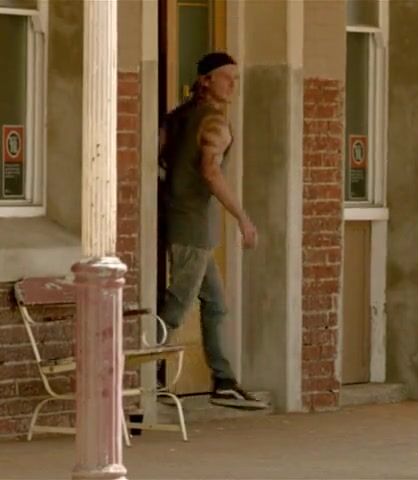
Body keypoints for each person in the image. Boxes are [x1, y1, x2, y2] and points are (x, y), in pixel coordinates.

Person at [157, 52, 267, 409]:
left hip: (182, 220)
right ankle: (143, 376)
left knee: (215, 304)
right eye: (226, 77)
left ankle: (223, 380)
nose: (233, 84)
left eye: (236, 78)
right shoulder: (214, 122)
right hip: (191, 226)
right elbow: (211, 171)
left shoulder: (177, 117)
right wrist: (242, 218)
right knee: (177, 305)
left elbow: (158, 159)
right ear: (205, 81)